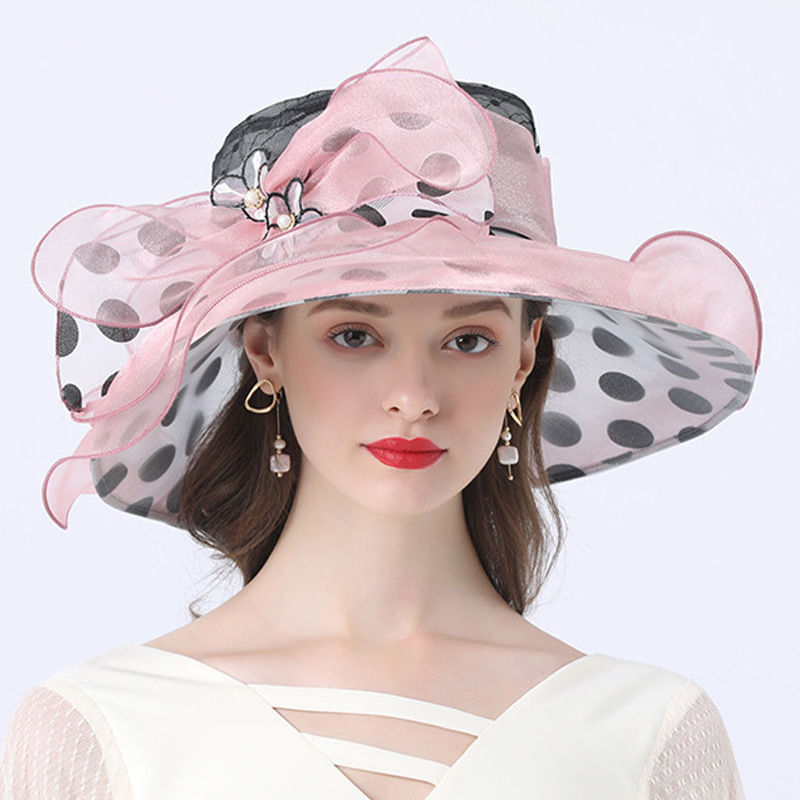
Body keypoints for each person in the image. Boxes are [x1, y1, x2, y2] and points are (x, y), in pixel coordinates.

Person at [0, 36, 760, 800]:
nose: (413, 394)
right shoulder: (100, 732)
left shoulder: (646, 737)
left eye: (468, 340)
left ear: (524, 356)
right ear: (265, 349)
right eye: (355, 336)